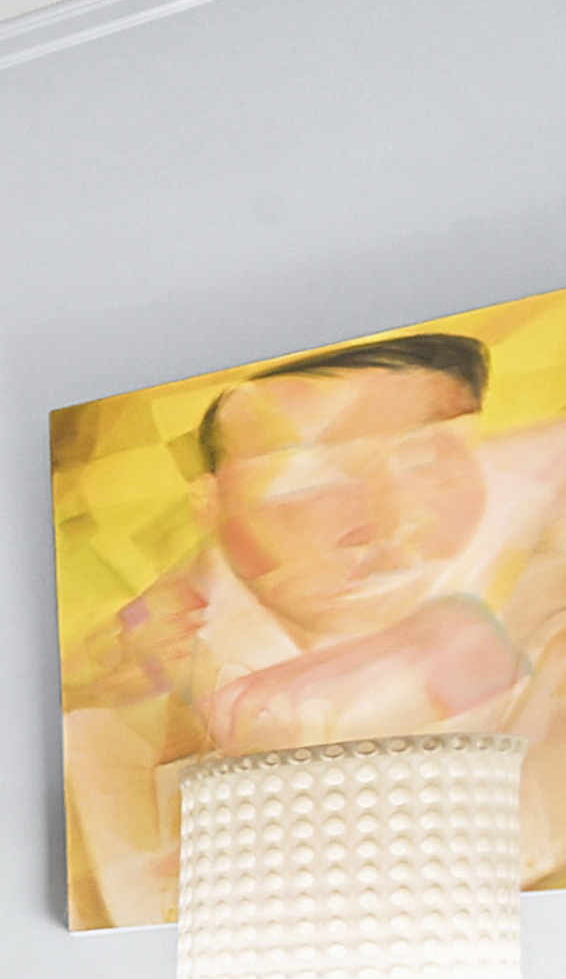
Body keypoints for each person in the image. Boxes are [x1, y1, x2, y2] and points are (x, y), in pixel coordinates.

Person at [66, 331, 566, 923]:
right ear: (210, 506)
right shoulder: (117, 720)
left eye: (422, 459)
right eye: (304, 477)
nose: (383, 520)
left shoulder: (528, 548)